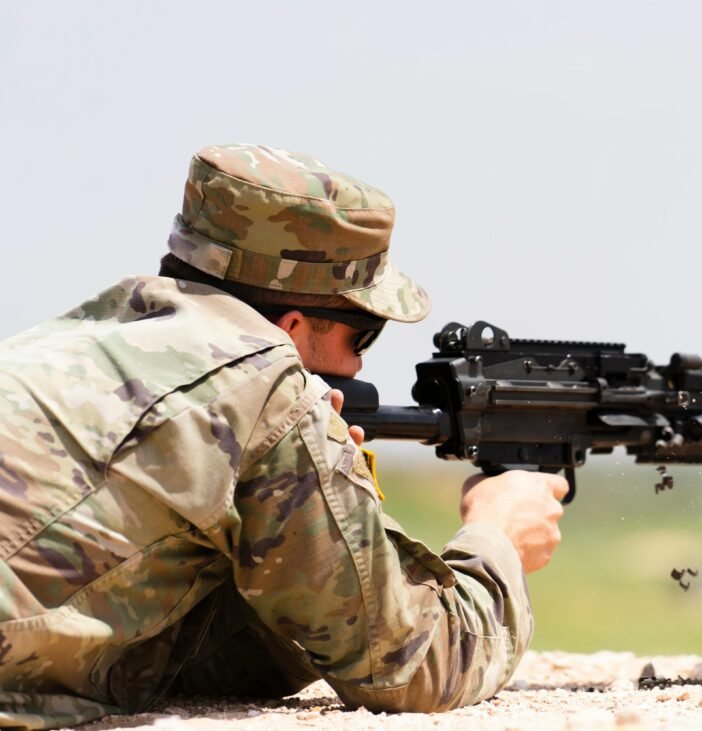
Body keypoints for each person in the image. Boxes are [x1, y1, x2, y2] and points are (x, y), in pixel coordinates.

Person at [0, 144, 568, 729]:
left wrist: (331, 486)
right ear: (291, 326)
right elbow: (413, 664)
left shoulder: (71, 339)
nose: (359, 367)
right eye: (363, 335)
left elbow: (188, 648)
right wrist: (497, 535)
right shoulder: (263, 377)